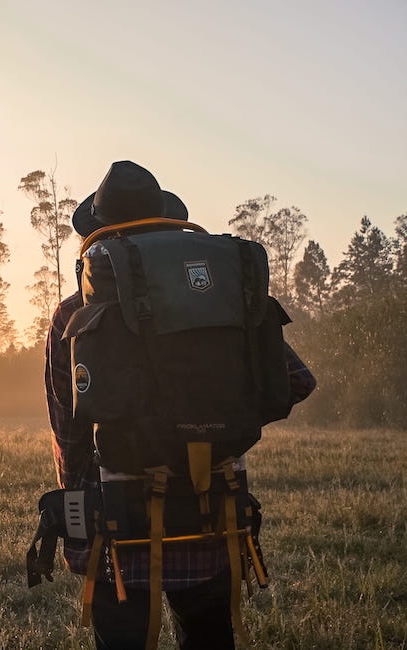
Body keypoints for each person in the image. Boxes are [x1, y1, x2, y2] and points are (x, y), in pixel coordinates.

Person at [45, 161, 316, 649]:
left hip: (119, 526)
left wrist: (77, 517)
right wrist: (217, 422)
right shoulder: (226, 301)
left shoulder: (73, 314)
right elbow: (295, 382)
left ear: (101, 234)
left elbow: (69, 431)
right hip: (215, 511)